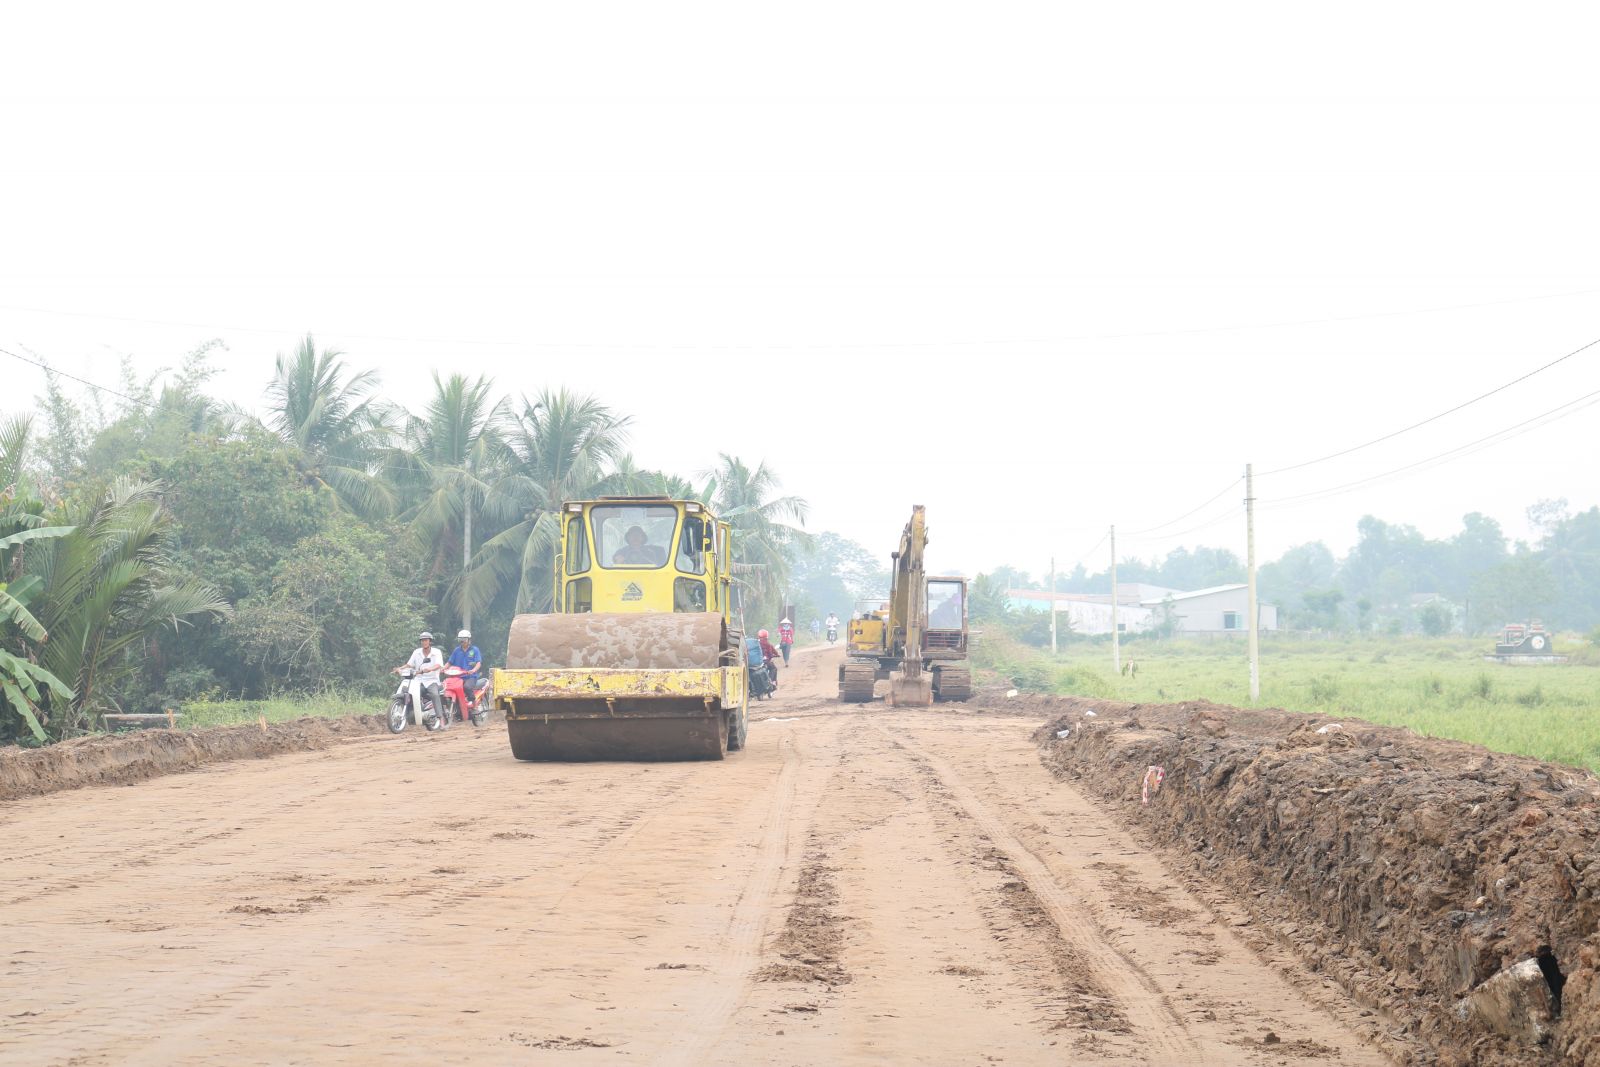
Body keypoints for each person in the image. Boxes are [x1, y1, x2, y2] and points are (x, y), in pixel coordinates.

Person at [396, 631, 444, 723]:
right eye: (422, 640)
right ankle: (409, 714)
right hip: (418, 680)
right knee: (409, 693)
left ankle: (441, 719)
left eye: (425, 640)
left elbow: (438, 665)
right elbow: (409, 664)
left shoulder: (436, 652)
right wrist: (399, 668)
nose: (423, 642)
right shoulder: (416, 652)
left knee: (434, 694)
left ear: (430, 641)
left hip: (432, 680)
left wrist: (429, 669)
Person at [446, 628, 486, 720]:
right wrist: (443, 668)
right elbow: (449, 662)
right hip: (458, 677)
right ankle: (458, 710)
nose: (462, 642)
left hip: (470, 676)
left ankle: (475, 705)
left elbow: (478, 662)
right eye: (460, 640)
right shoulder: (457, 650)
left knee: (467, 687)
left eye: (464, 639)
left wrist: (474, 670)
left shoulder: (475, 650)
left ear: (469, 640)